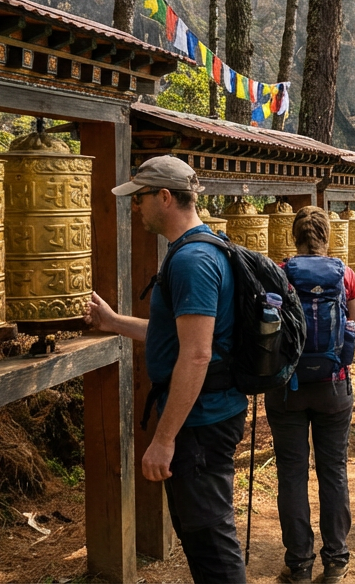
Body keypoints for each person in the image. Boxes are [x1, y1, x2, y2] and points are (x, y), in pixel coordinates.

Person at [82, 156, 247, 582]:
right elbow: (177, 335)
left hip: (201, 422)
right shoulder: (200, 249)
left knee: (211, 542)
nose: (136, 206)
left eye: (140, 197)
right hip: (206, 413)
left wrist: (164, 439)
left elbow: (196, 354)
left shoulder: (193, 261)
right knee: (202, 536)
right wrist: (114, 322)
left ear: (166, 197)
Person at [269, 207, 355, 583]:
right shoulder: (346, 275)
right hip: (334, 386)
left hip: (287, 389)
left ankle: (298, 564)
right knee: (333, 471)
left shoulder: (280, 273)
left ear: (293, 237)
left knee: (291, 475)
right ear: (328, 237)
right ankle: (336, 561)